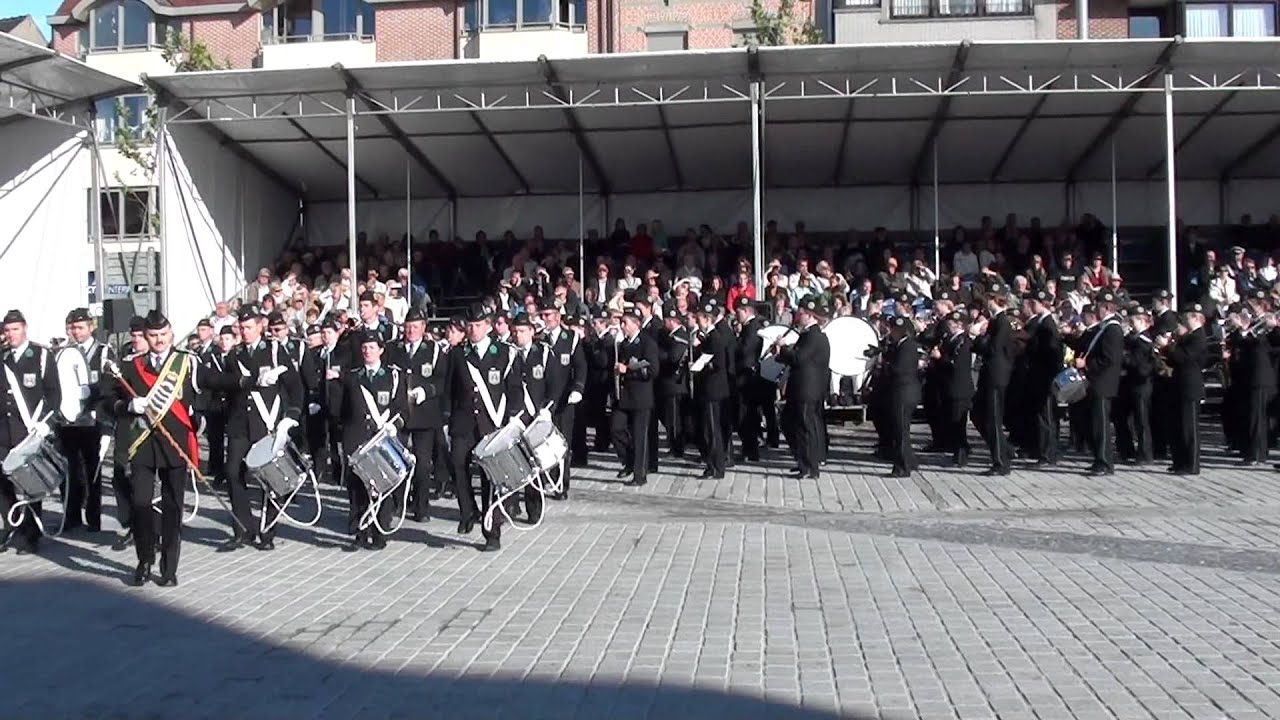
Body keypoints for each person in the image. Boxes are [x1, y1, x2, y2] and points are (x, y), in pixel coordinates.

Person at [108, 310, 200, 586]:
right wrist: (127, 406)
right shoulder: (132, 367)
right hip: (142, 444)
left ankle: (169, 567)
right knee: (140, 504)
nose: (159, 340)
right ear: (146, 338)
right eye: (153, 336)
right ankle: (145, 558)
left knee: (173, 508)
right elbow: (107, 400)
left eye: (163, 335)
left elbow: (209, 389)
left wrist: (202, 416)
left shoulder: (186, 363)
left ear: (171, 334)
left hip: (175, 446)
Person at [212, 305, 304, 551]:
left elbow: (295, 387)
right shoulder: (234, 355)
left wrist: (291, 416)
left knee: (270, 479)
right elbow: (226, 386)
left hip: (267, 424)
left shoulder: (274, 351)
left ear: (261, 326)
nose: (245, 331)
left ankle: (267, 530)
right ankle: (243, 528)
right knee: (233, 472)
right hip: (240, 424)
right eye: (241, 327)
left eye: (249, 327)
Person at [444, 304, 524, 551]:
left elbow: (514, 388)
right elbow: (449, 388)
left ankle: (492, 531)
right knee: (457, 463)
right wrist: (446, 419)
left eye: (477, 325)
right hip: (463, 422)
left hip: (491, 424)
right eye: (469, 326)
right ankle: (467, 510)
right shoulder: (457, 353)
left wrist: (512, 418)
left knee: (491, 478)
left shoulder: (504, 353)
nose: (472, 330)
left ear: (489, 326)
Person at [336, 331, 409, 550]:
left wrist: (394, 426)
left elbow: (402, 409)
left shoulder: (393, 376)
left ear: (381, 350)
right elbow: (342, 408)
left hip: (380, 438)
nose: (368, 351)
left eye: (372, 347)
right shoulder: (352, 376)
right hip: (356, 437)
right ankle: (360, 531)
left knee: (382, 485)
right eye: (365, 348)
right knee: (357, 486)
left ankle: (379, 531)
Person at [0, 310, 60, 555]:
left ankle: (32, 534)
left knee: (29, 484)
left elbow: (54, 394)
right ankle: (11, 525)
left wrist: (47, 423)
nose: (11, 334)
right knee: (3, 482)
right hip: (4, 431)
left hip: (29, 429)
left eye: (15, 329)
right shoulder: (3, 358)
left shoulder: (41, 356)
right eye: (7, 330)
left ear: (25, 328)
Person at [386, 308, 449, 522]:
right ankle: (398, 502)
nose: (411, 330)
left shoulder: (433, 350)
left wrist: (427, 391)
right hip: (399, 416)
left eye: (416, 326)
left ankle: (421, 506)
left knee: (423, 464)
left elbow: (442, 380)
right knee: (397, 461)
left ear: (423, 328)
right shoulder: (392, 349)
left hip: (425, 415)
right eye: (408, 326)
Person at [57, 307, 113, 532]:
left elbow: (110, 384)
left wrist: (96, 403)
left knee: (93, 470)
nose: (75, 332)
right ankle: (71, 515)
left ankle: (93, 517)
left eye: (80, 327)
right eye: (72, 328)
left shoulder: (103, 352)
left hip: (93, 420)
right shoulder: (63, 352)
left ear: (91, 327)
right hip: (69, 421)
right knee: (68, 469)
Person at [775, 297, 830, 479]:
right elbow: (794, 356)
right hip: (800, 389)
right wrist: (782, 352)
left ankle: (810, 466)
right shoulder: (806, 335)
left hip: (807, 389)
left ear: (809, 315)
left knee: (805, 427)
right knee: (791, 423)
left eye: (801, 314)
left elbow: (800, 358)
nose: (798, 317)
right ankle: (802, 461)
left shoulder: (813, 335)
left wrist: (784, 348)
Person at [537, 299, 586, 500]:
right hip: (545, 401)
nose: (545, 319)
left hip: (565, 399)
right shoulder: (539, 339)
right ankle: (550, 478)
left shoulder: (571, 337)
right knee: (545, 444)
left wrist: (578, 388)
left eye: (548, 315)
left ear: (558, 316)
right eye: (542, 315)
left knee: (563, 442)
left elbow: (581, 366)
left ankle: (562, 484)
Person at [1076, 290, 1124, 476]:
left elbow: (1109, 358)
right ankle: (1098, 458)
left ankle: (1105, 461)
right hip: (1095, 382)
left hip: (1103, 383)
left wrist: (1086, 363)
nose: (1096, 309)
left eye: (1098, 305)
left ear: (1105, 307)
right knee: (1094, 423)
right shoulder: (1104, 327)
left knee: (1101, 424)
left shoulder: (1113, 328)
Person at [611, 307, 660, 486]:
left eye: (626, 323)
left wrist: (630, 370)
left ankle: (640, 474)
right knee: (616, 428)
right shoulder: (624, 344)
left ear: (636, 324)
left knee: (640, 437)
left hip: (640, 396)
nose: (622, 326)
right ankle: (628, 461)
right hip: (624, 396)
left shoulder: (647, 343)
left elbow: (653, 369)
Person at [972, 284, 1015, 476]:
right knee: (980, 415)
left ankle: (1000, 461)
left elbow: (994, 348)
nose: (986, 303)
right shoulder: (996, 321)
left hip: (997, 374)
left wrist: (980, 338)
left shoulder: (1002, 321)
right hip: (990, 373)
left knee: (993, 418)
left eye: (989, 299)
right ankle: (1004, 450)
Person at [1161, 303, 1209, 475]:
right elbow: (1173, 360)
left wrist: (1168, 347)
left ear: (1196, 318)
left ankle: (1191, 463)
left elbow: (1183, 357)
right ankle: (1179, 461)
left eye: (1187, 317)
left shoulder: (1198, 337)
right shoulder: (1187, 337)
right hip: (1178, 384)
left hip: (1190, 385)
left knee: (1189, 427)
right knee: (1177, 425)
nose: (1183, 320)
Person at [691, 300, 731, 479]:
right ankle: (712, 464)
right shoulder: (707, 338)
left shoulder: (715, 338)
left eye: (699, 318)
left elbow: (718, 364)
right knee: (708, 428)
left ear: (707, 320)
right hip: (707, 390)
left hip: (713, 389)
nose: (697, 321)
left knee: (713, 429)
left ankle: (716, 466)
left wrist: (701, 365)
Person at [1022, 289, 1063, 465]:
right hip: (1038, 376)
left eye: (1035, 303)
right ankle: (1039, 449)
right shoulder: (1041, 322)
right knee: (1040, 415)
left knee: (1046, 416)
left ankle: (1048, 453)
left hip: (1045, 377)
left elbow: (1052, 354)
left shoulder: (1047, 325)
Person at [933, 310, 973, 467]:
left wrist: (939, 357)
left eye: (950, 324)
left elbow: (955, 365)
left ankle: (961, 455)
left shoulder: (963, 341)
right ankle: (958, 450)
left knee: (958, 422)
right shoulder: (950, 340)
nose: (948, 327)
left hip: (959, 388)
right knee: (952, 421)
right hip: (949, 387)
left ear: (959, 325)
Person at [883, 316, 920, 477]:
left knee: (901, 431)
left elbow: (900, 369)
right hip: (901, 391)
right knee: (900, 429)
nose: (892, 332)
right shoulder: (899, 345)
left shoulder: (907, 346)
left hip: (904, 392)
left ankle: (902, 466)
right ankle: (909, 461)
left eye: (895, 330)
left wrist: (884, 365)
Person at [733, 297, 769, 462]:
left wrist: (735, 343)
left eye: (738, 311)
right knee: (745, 414)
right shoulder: (749, 327)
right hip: (745, 375)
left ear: (746, 311)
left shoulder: (752, 327)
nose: (736, 314)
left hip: (747, 376)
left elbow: (745, 350)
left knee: (745, 414)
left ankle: (750, 448)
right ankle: (749, 448)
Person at [657, 307, 690, 459]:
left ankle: (677, 448)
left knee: (674, 419)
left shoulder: (680, 336)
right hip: (668, 384)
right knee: (669, 418)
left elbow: (673, 357)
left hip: (675, 384)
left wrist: (659, 355)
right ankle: (674, 444)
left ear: (671, 321)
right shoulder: (669, 336)